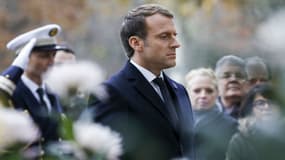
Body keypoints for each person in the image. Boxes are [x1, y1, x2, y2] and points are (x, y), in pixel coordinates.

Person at [88, 4, 194, 160]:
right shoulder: (109, 94)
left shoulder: (180, 90)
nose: (175, 43)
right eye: (164, 36)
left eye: (174, 35)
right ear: (136, 43)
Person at [6, 24, 64, 151]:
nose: (51, 62)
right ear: (24, 59)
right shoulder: (12, 93)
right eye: (44, 56)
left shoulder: (52, 92)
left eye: (53, 55)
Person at [185, 68, 237, 160]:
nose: (203, 95)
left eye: (209, 91)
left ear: (217, 93)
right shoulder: (173, 121)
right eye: (197, 91)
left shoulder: (231, 126)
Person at [226, 84, 285, 160]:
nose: (266, 107)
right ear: (251, 109)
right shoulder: (240, 141)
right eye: (260, 103)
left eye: (271, 102)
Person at [215, 55, 247, 119]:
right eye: (226, 76)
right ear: (216, 82)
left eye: (239, 76)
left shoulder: (254, 112)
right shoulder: (207, 110)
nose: (233, 79)